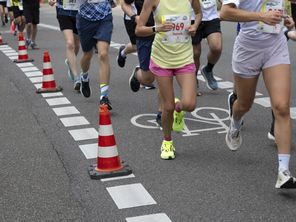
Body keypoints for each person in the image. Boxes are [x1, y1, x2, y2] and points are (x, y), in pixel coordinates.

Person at [220, 0, 296, 189]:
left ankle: (283, 171)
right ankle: (235, 121)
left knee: (281, 107)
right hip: (248, 48)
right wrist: (262, 17)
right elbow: (225, 13)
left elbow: (278, 6)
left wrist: (286, 19)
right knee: (245, 104)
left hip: (275, 46)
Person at [136, 0, 202, 159]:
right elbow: (139, 29)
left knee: (190, 104)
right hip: (161, 59)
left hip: (184, 57)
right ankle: (167, 142)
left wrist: (194, 26)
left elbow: (198, 13)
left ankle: (179, 109)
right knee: (167, 106)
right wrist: (156, 28)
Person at [76, 0, 116, 110]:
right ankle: (84, 76)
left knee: (103, 54)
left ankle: (104, 96)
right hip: (85, 18)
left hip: (105, 17)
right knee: (87, 55)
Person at [49, 0, 81, 92]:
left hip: (79, 12)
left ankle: (70, 61)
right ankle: (76, 78)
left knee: (77, 44)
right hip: (63, 11)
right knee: (70, 43)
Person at [191, 0, 222, 91]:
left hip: (211, 17)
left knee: (216, 47)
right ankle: (193, 81)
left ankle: (208, 69)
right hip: (192, 18)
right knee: (195, 53)